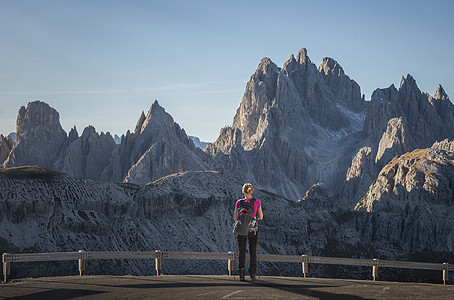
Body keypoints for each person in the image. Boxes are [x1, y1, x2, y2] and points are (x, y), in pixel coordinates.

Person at [233, 183, 263, 281]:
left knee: (242, 251)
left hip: (242, 229)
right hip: (252, 229)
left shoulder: (239, 202)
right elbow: (261, 217)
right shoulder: (257, 202)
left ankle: (241, 274)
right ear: (252, 191)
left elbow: (235, 217)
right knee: (252, 251)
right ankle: (252, 274)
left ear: (243, 191)